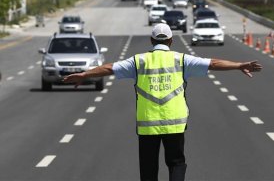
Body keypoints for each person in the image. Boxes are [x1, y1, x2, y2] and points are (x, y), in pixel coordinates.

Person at [63, 23, 262, 181]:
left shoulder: (138, 61)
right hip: (175, 123)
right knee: (176, 164)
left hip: (148, 125)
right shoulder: (181, 59)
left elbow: (109, 68)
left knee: (149, 170)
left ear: (151, 40)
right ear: (171, 41)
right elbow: (213, 63)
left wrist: (84, 75)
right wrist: (239, 65)